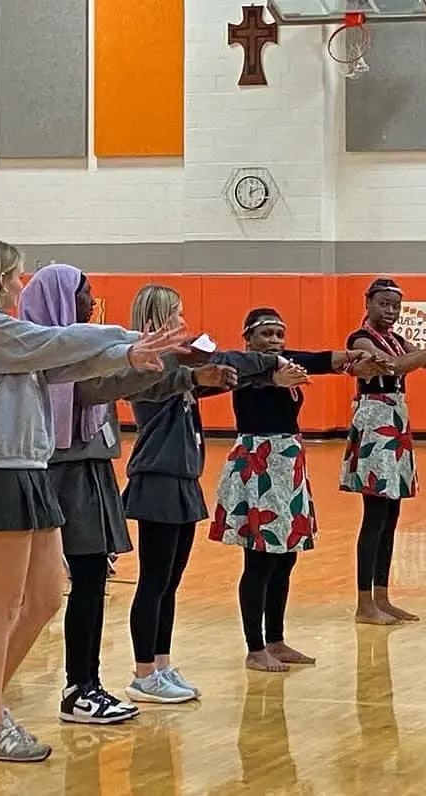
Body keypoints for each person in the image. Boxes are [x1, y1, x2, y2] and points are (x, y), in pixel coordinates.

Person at [0, 239, 191, 763]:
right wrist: (128, 337)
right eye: (16, 275)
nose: (20, 284)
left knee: (46, 599)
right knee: (4, 606)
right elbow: (56, 342)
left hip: (30, 474)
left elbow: (61, 367)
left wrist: (128, 355)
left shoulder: (8, 337)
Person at [19, 265, 238, 725]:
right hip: (65, 472)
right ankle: (60, 689)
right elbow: (102, 387)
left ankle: (85, 684)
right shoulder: (47, 355)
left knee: (90, 581)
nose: (91, 302)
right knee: (42, 595)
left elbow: (113, 382)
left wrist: (152, 362)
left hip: (93, 467)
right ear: (60, 300)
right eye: (84, 294)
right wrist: (153, 363)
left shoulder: (84, 348)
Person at [122, 285, 307, 704]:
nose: (184, 323)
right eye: (177, 315)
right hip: (158, 480)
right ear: (157, 322)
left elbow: (223, 370)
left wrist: (264, 374)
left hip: (183, 479)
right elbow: (219, 362)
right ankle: (143, 673)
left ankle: (161, 665)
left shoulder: (180, 366)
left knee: (169, 584)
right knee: (153, 582)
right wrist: (268, 363)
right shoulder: (153, 365)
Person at [209, 307, 390, 671]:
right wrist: (275, 380)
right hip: (258, 463)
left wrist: (355, 356)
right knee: (259, 559)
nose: (274, 341)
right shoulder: (242, 368)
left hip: (288, 462)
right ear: (248, 339)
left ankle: (275, 640)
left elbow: (321, 360)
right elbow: (246, 380)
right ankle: (255, 647)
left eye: (279, 334)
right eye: (266, 334)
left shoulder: (288, 362)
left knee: (285, 557)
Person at [341, 277, 426, 626]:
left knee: (391, 515)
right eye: (384, 304)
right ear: (368, 303)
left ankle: (382, 598)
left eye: (395, 306)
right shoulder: (360, 340)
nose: (390, 311)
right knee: (374, 516)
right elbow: (395, 366)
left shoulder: (396, 338)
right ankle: (363, 604)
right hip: (375, 421)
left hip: (395, 421)